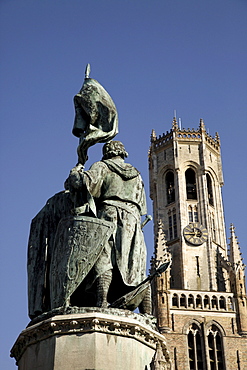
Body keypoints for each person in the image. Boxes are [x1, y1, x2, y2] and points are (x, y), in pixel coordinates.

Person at [65, 140, 151, 313]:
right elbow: (142, 206)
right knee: (136, 265)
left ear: (106, 152)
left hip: (109, 217)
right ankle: (148, 312)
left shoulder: (102, 166)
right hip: (133, 223)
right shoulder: (137, 175)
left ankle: (102, 301)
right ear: (123, 152)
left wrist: (75, 172)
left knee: (103, 258)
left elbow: (81, 184)